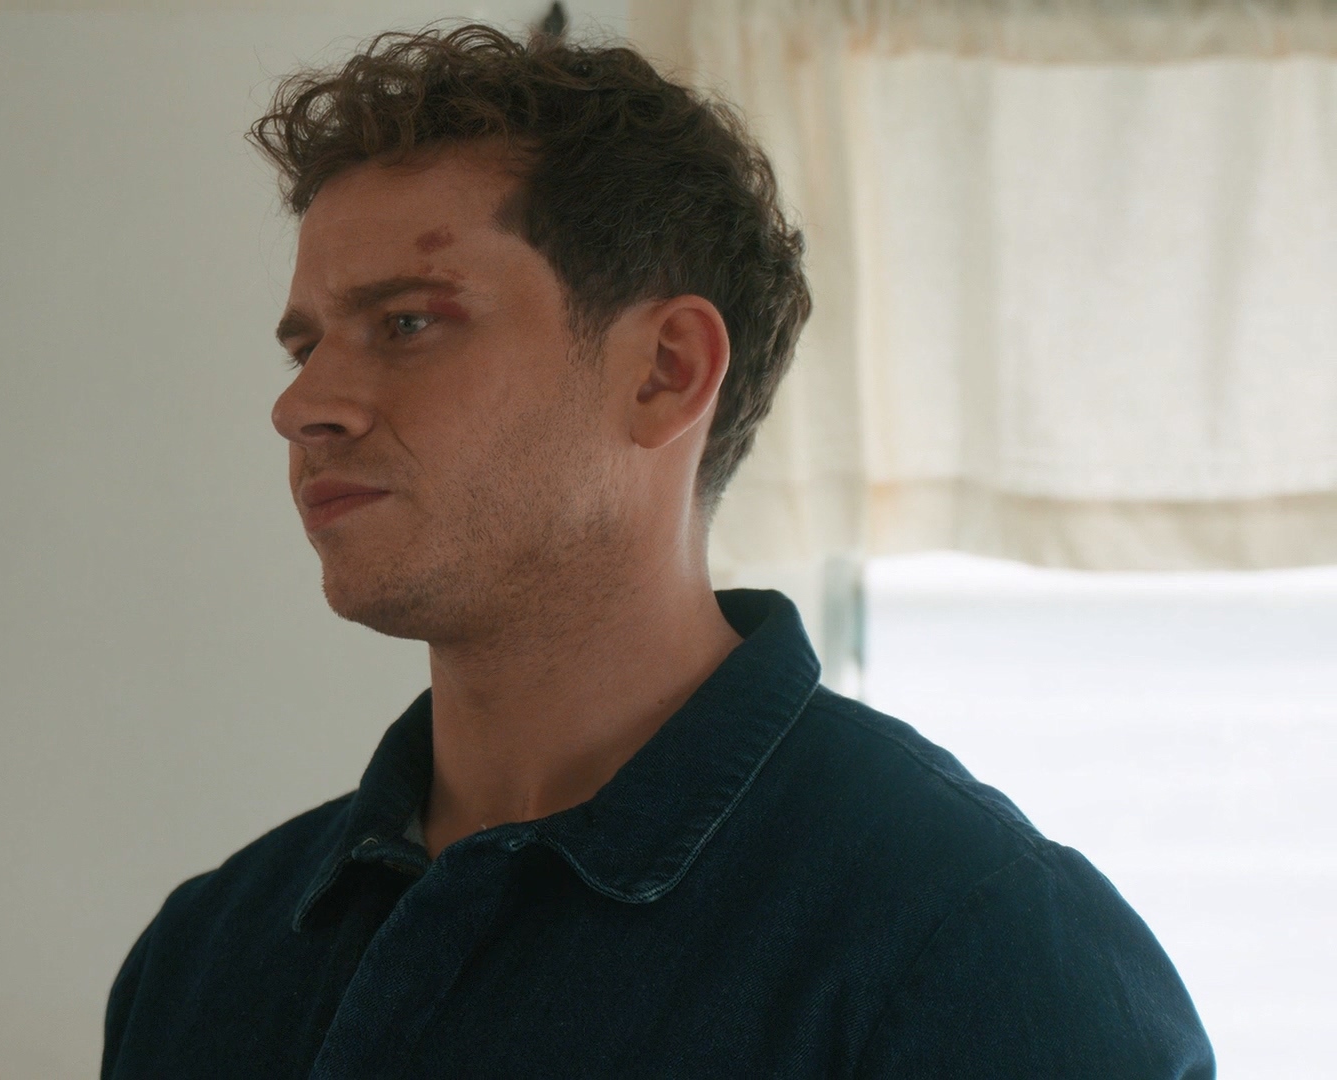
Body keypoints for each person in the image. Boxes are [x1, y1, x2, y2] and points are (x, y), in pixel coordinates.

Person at [102, 23, 1212, 1079]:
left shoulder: (981, 949)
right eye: (305, 346)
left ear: (666, 372)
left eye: (409, 323)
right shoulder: (204, 956)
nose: (303, 406)